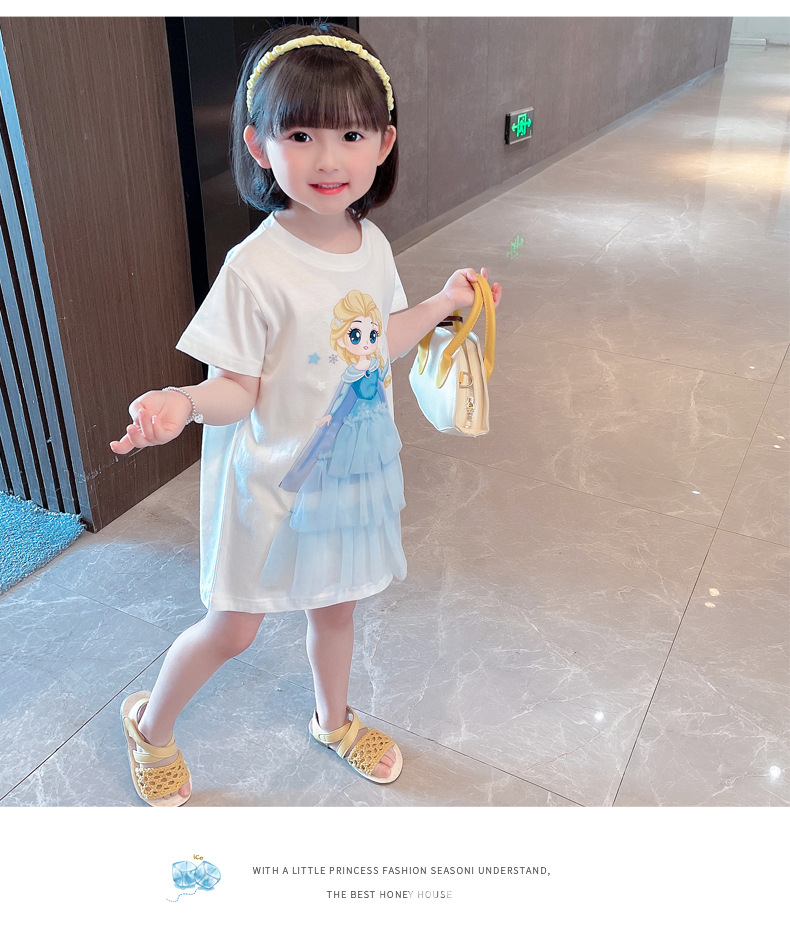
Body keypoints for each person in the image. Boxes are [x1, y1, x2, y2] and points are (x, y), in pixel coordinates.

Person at [110, 21, 501, 806]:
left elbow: (376, 343)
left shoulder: (370, 242)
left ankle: (334, 721)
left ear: (384, 143)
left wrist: (443, 304)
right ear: (259, 146)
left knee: (336, 609)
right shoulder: (254, 268)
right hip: (269, 484)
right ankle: (150, 726)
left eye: (350, 135)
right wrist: (183, 404)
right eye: (301, 135)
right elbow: (237, 390)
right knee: (234, 628)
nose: (328, 160)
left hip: (346, 476)